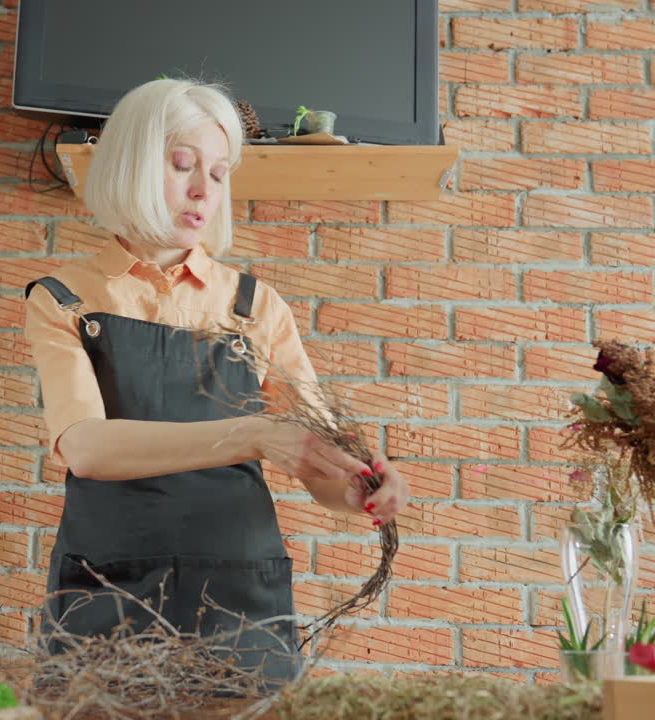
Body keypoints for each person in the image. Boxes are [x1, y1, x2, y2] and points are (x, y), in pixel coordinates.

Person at [23, 78, 409, 686]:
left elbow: (316, 465)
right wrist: (254, 434)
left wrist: (362, 487)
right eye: (182, 166)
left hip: (238, 595)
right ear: (129, 167)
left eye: (220, 173)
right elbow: (88, 448)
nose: (204, 190)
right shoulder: (66, 300)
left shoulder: (254, 307)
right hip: (109, 584)